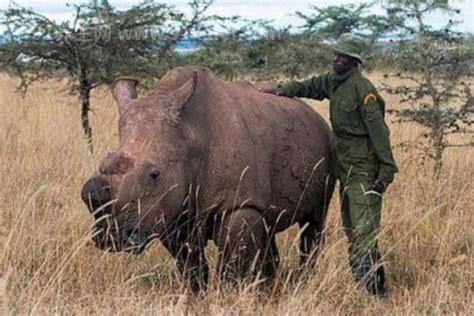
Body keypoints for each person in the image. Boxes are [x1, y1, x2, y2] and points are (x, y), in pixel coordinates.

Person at [261, 33, 398, 297]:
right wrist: (282, 89)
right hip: (343, 164)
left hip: (363, 167)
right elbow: (309, 86)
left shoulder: (364, 91)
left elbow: (380, 135)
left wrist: (387, 170)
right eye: (336, 54)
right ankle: (371, 285)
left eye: (343, 56)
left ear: (353, 61)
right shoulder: (333, 82)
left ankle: (374, 290)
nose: (336, 59)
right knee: (351, 227)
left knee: (363, 230)